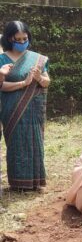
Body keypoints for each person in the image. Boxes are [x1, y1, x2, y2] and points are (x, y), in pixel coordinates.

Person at [0, 21, 50, 190]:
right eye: (18, 39)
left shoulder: (37, 59)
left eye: (25, 39)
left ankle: (35, 181)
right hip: (10, 108)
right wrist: (23, 83)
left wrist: (39, 78)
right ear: (9, 38)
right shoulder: (2, 59)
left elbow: (46, 82)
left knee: (34, 141)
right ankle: (18, 182)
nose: (22, 42)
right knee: (15, 143)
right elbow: (1, 85)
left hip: (33, 109)